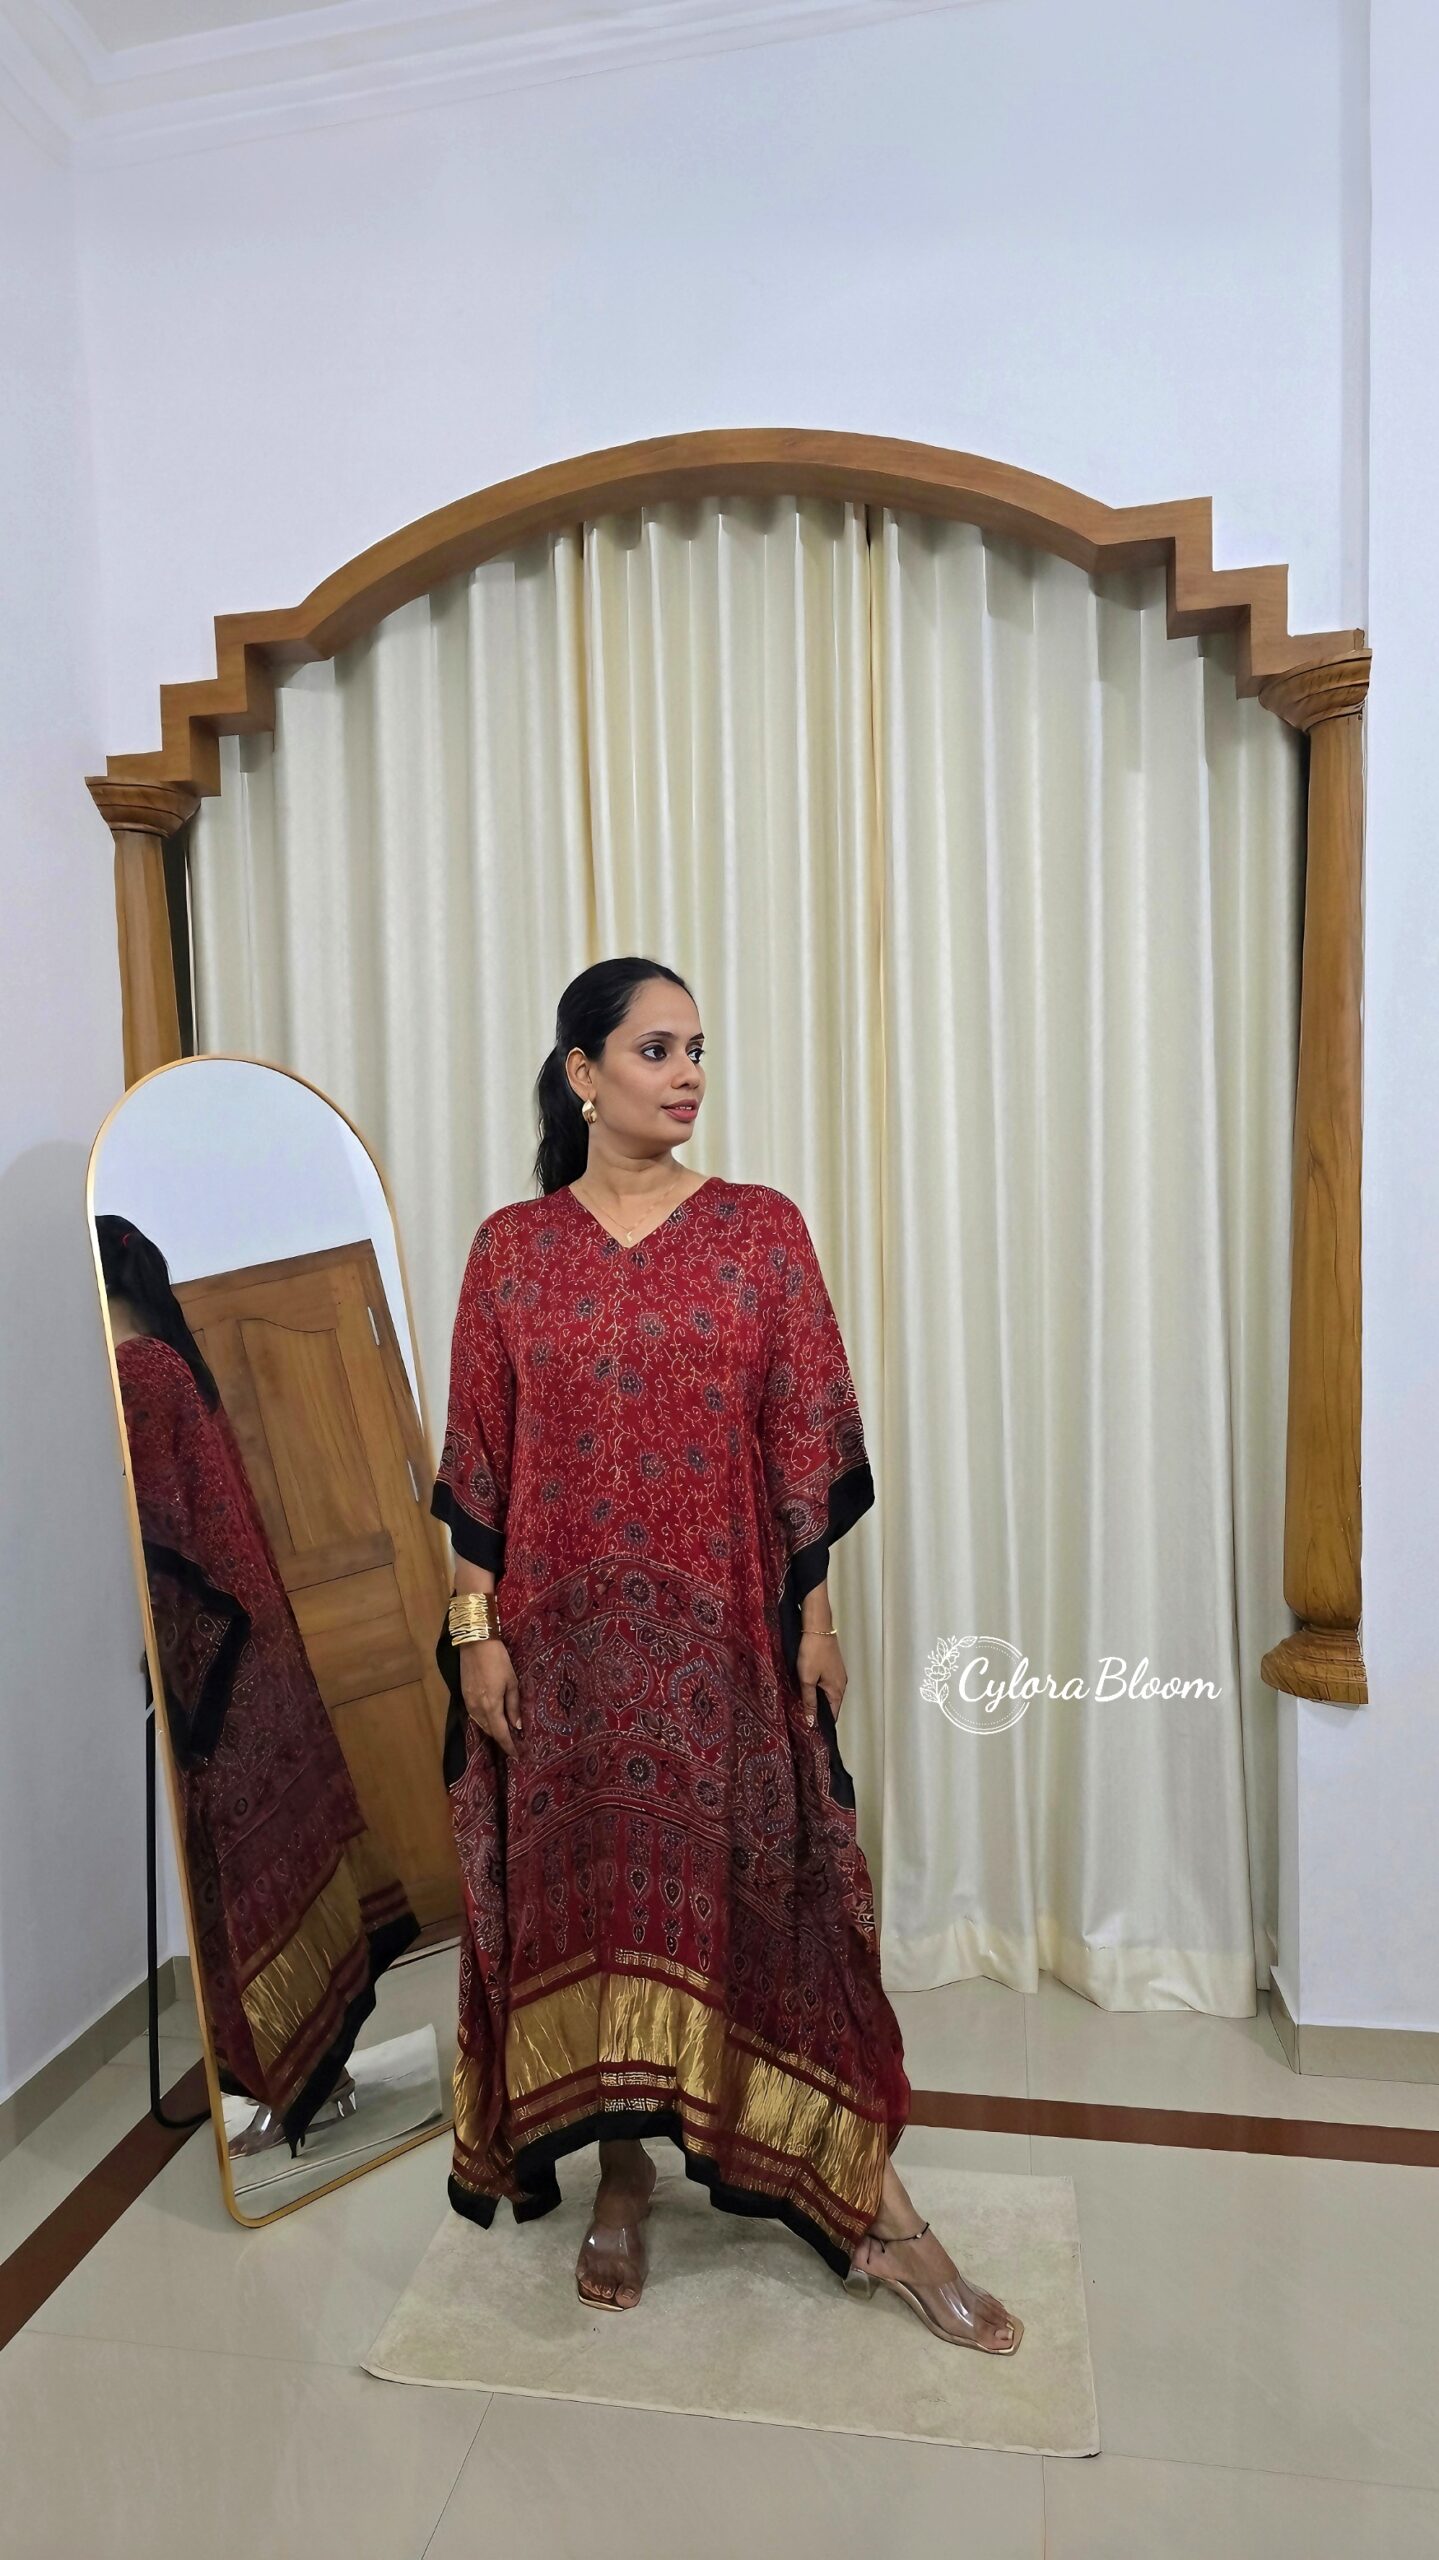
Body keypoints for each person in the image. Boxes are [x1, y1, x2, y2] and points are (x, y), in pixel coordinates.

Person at [431, 961, 1022, 2353]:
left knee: (771, 1908)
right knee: (588, 1911)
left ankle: (877, 2211)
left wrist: (814, 1626)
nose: (687, 1072)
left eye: (696, 1048)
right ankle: (620, 2173)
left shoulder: (759, 1232)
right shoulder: (512, 1251)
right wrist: (474, 1636)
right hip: (563, 1663)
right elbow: (477, 1467)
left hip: (720, 1656)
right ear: (582, 1074)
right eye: (655, 1049)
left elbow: (802, 1448)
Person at [97, 1216, 420, 2157]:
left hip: (222, 1668)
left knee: (243, 1870)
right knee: (272, 1849)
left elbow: (162, 1536)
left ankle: (299, 2082)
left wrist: (158, 1653)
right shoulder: (173, 1362)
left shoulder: (136, 1373)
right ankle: (319, 2073)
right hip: (255, 1652)